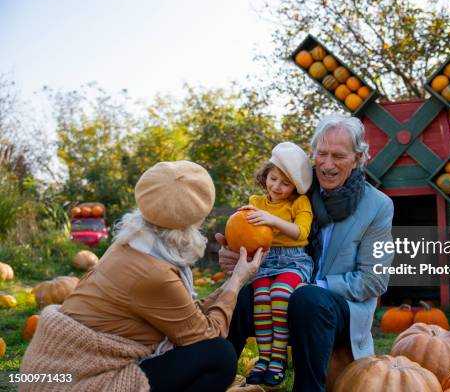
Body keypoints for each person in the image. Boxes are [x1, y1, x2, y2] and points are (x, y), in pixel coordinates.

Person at [20, 161, 265, 392]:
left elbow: (185, 316)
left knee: (227, 321)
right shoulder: (154, 272)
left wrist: (231, 282)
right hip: (81, 380)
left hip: (60, 369)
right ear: (197, 217)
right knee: (218, 356)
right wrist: (236, 282)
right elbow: (206, 336)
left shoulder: (133, 243)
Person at [216, 115, 395, 391]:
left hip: (337, 304)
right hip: (282, 283)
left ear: (358, 158)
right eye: (321, 154)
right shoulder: (296, 187)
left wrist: (311, 285)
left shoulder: (378, 206)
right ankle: (213, 377)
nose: (326, 164)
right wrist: (236, 256)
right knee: (240, 298)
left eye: (338, 156)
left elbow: (374, 281)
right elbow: (262, 233)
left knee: (307, 299)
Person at [240, 142, 314, 386]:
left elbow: (301, 233)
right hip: (265, 261)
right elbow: (244, 230)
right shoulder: (256, 202)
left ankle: (279, 357)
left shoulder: (299, 203)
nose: (277, 187)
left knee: (280, 294)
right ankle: (264, 357)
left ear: (295, 186)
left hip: (293, 260)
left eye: (285, 183)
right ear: (266, 175)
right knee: (261, 299)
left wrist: (273, 220)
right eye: (273, 179)